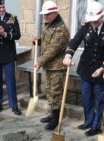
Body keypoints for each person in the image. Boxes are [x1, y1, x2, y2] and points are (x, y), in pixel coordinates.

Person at [63, 1, 104, 136]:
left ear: (101, 16)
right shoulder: (85, 27)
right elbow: (74, 41)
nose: (93, 23)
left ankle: (96, 126)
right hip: (85, 69)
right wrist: (68, 55)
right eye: (91, 20)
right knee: (86, 97)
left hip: (101, 71)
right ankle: (88, 121)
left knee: (99, 99)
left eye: (95, 20)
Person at [32, 0, 70, 130]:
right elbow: (47, 42)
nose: (45, 17)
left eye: (47, 14)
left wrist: (40, 61)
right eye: (44, 14)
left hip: (57, 67)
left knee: (55, 93)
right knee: (48, 91)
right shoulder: (49, 25)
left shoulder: (61, 29)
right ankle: (52, 113)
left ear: (55, 13)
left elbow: (53, 49)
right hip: (49, 65)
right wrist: (38, 41)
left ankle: (56, 118)